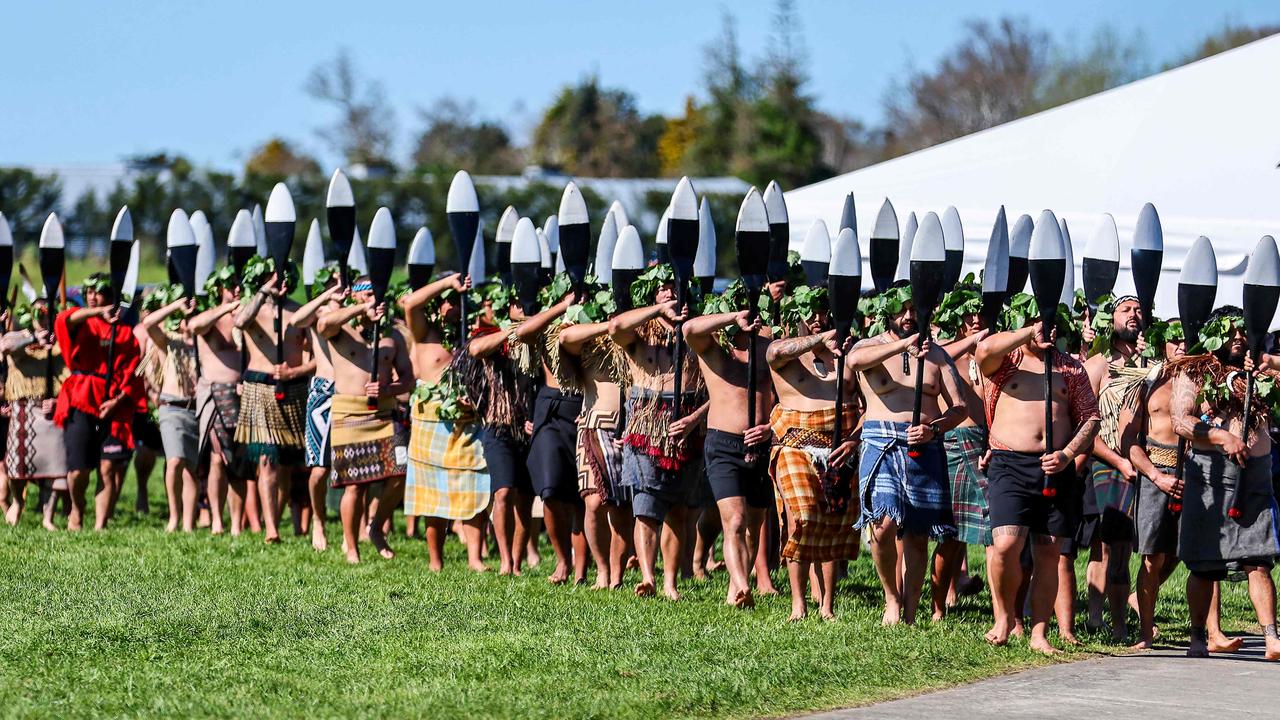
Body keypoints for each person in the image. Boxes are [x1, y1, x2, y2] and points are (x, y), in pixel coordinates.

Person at [976, 318, 1100, 654]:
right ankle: (1003, 619)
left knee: (1049, 552)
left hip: (1055, 466)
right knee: (1005, 545)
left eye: (1054, 326)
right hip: (1009, 464)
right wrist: (1027, 333)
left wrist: (1067, 454)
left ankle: (1039, 633)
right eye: (1041, 325)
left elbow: (1091, 417)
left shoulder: (1070, 368)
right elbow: (983, 349)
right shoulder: (1006, 362)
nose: (1050, 332)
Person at [1119, 321, 1242, 652]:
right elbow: (1128, 439)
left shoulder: (1208, 384)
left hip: (1198, 473)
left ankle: (1210, 634)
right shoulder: (1147, 385)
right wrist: (1156, 476)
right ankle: (1145, 633)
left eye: (1187, 339)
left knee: (1204, 556)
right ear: (1163, 345)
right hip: (1157, 473)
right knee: (1151, 557)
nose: (1181, 346)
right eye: (1174, 340)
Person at [848, 288, 964, 625]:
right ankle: (891, 599)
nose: (909, 317)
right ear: (889, 312)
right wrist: (905, 345)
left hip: (924, 447)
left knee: (917, 533)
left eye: (916, 310)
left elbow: (959, 408)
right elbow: (854, 361)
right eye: (902, 310)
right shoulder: (869, 347)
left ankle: (911, 609)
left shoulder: (938, 357)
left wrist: (934, 429)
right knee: (882, 528)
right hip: (880, 442)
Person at [1169, 307, 1280, 660]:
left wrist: (1268, 362)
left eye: (1242, 332)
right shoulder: (1194, 368)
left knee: (1258, 560)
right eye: (1229, 332)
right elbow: (1180, 421)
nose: (1236, 338)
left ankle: (1272, 638)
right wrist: (1221, 436)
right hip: (1210, 477)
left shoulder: (1259, 372)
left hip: (1255, 476)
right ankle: (1198, 637)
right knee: (1204, 564)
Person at [609, 265, 707, 601]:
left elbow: (720, 392)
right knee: (646, 510)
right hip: (646, 426)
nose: (668, 292)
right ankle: (648, 578)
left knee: (678, 510)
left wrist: (695, 418)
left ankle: (670, 583)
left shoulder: (698, 336)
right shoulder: (640, 335)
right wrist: (658, 310)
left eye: (673, 287)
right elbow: (616, 326)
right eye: (661, 288)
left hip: (686, 426)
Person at [765, 293, 860, 621]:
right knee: (802, 517)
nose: (818, 317)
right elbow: (774, 352)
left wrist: (855, 438)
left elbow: (868, 405)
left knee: (833, 523)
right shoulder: (786, 352)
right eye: (811, 313)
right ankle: (798, 604)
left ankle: (827, 606)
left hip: (838, 449)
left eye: (824, 312)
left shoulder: (848, 359)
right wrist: (818, 339)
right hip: (794, 447)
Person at [683, 285, 775, 608]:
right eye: (744, 314)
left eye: (754, 315)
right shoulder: (714, 351)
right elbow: (689, 328)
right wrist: (732, 318)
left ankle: (735, 587)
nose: (751, 321)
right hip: (723, 444)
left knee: (753, 525)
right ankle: (741, 584)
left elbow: (788, 395)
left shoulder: (769, 350)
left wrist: (771, 427)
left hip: (762, 446)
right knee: (734, 521)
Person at [316, 278, 414, 563]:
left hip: (384, 413)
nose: (375, 299)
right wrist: (361, 311)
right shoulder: (341, 327)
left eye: (378, 294)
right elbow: (323, 326)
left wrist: (389, 389)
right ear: (357, 297)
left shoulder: (392, 336)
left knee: (401, 471)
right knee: (355, 485)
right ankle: (351, 547)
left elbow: (407, 379)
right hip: (349, 413)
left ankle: (375, 526)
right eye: (369, 294)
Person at [401, 273, 492, 573]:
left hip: (467, 422)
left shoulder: (469, 336)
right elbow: (411, 302)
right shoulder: (424, 332)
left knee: (475, 488)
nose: (455, 306)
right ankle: (435, 561)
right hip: (430, 423)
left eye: (459, 301)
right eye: (449, 302)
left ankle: (475, 558)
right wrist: (447, 283)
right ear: (437, 304)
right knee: (433, 497)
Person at [54, 273, 145, 531]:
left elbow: (133, 373)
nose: (93, 296)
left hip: (113, 405)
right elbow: (65, 318)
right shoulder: (82, 324)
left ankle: (100, 526)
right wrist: (97, 312)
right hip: (82, 398)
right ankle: (77, 512)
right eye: (89, 292)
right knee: (78, 471)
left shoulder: (126, 334)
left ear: (112, 296)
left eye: (100, 292)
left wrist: (117, 400)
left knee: (107, 468)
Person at [1080, 296, 1145, 642]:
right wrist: (1119, 460)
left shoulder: (1149, 363)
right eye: (1126, 310)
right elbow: (1086, 425)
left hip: (1142, 463)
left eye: (1138, 310)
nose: (1134, 315)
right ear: (1111, 319)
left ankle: (1120, 623)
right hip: (1105, 461)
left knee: (1125, 548)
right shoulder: (1097, 365)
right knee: (1104, 545)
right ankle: (1095, 617)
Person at [233, 259, 311, 544]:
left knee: (288, 465)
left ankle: (275, 519)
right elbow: (240, 322)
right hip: (259, 390)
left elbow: (317, 359)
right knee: (267, 460)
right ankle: (271, 530)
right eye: (270, 277)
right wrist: (264, 293)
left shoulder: (300, 312)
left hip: (293, 391)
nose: (278, 281)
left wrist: (295, 371)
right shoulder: (252, 309)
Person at [558, 293, 634, 589]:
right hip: (594, 427)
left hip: (631, 429)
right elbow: (565, 338)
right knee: (593, 502)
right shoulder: (594, 341)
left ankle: (616, 575)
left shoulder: (639, 337)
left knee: (622, 507)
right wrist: (609, 326)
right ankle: (601, 570)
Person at [463, 292, 537, 576]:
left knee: (525, 499)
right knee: (503, 492)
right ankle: (505, 560)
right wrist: (512, 330)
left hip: (527, 429)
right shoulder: (489, 336)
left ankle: (517, 562)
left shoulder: (534, 339)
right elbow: (476, 350)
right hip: (497, 426)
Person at [516, 282, 582, 585]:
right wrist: (561, 306)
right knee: (552, 490)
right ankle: (562, 559)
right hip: (551, 407)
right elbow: (523, 333)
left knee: (583, 495)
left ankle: (582, 568)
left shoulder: (594, 319)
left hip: (585, 405)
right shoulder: (547, 324)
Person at [936, 304, 992, 619]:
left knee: (997, 529)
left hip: (990, 443)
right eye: (969, 319)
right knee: (952, 534)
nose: (976, 322)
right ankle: (939, 606)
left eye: (981, 317)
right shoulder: (947, 354)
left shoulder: (994, 356)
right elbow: (937, 355)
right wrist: (971, 344)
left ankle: (1007, 613)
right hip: (955, 443)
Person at [190, 268, 253, 536]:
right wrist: (225, 308)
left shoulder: (250, 318)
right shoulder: (210, 320)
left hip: (245, 396)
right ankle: (217, 518)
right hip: (216, 396)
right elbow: (194, 326)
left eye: (239, 286)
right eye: (230, 286)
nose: (236, 291)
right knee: (217, 459)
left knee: (239, 465)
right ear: (219, 290)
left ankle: (237, 524)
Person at [289, 273, 346, 551]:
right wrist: (326, 297)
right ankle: (319, 521)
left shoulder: (355, 311)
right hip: (322, 392)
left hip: (351, 392)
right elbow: (295, 321)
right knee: (319, 470)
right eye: (333, 281)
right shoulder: (319, 312)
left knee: (352, 469)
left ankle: (353, 529)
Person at [136, 289, 201, 533]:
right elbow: (149, 322)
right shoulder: (168, 342)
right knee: (174, 462)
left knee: (191, 469)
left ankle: (188, 523)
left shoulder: (202, 342)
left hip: (195, 410)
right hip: (171, 408)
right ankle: (174, 517)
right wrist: (177, 304)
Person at [2, 300, 69, 529]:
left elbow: (69, 378)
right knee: (17, 466)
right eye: (38, 314)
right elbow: (5, 347)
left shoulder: (60, 344)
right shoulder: (19, 336)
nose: (42, 319)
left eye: (47, 315)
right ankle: (18, 503)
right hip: (23, 410)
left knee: (55, 467)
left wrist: (59, 401)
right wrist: (33, 339)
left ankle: (48, 517)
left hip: (51, 412)